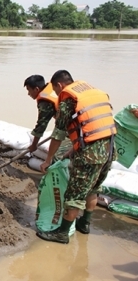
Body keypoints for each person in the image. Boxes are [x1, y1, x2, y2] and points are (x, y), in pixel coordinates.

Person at [37, 70, 116, 244]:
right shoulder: (92, 93)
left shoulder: (68, 100)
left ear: (59, 85)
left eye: (56, 92)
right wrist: (72, 150)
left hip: (90, 155)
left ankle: (62, 233)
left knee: (75, 193)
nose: (57, 96)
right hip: (109, 149)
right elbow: (93, 127)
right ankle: (84, 223)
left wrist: (48, 160)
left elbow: (58, 134)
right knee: (93, 188)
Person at [24, 75, 58, 152]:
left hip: (72, 126)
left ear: (36, 89)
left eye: (29, 90)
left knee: (56, 155)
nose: (28, 94)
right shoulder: (52, 89)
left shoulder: (45, 102)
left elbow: (41, 125)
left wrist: (34, 145)